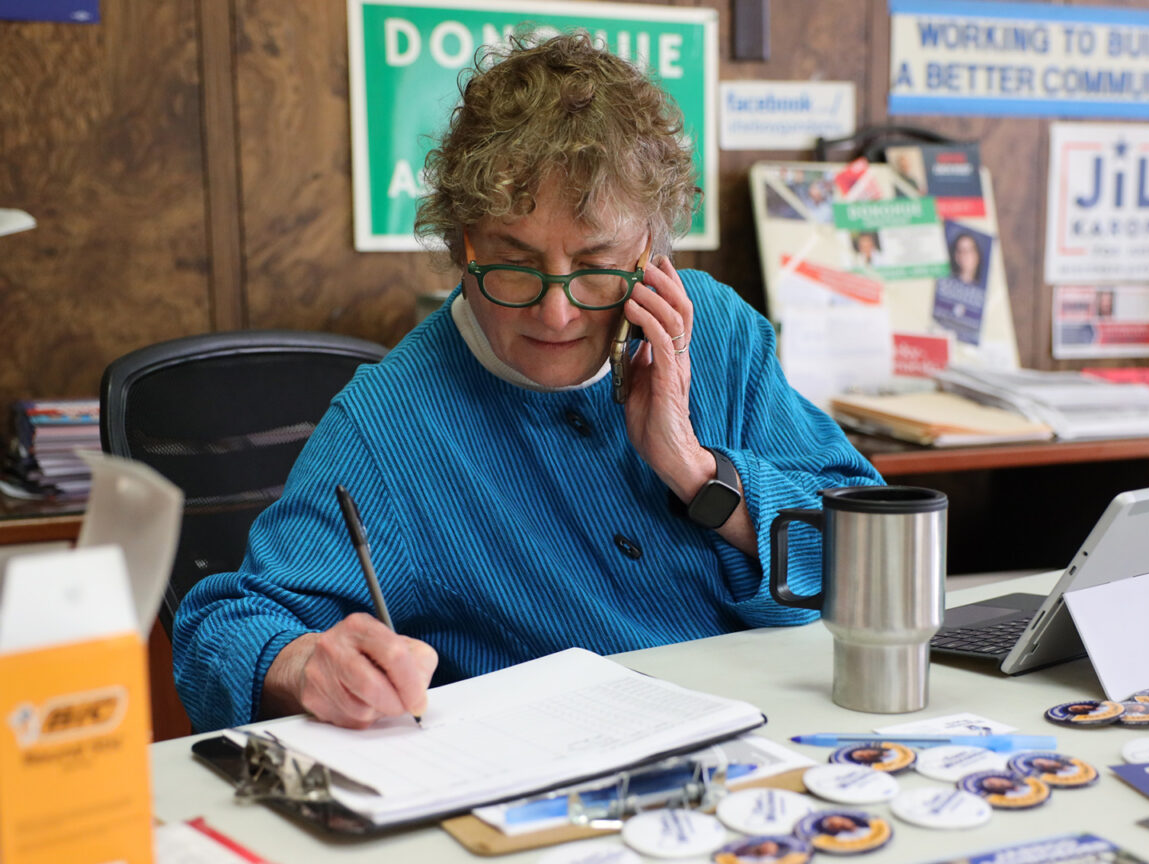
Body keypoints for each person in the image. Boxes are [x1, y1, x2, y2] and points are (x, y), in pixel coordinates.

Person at [170, 33, 884, 732]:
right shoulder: (393, 423)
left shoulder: (716, 333)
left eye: (597, 262)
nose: (557, 310)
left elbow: (874, 556)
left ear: (649, 249)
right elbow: (223, 627)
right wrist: (304, 665)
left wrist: (699, 473)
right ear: (462, 244)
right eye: (514, 262)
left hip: (779, 744)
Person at [932, 231, 987, 345]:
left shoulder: (987, 293)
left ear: (977, 255)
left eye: (970, 250)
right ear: (957, 256)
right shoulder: (944, 284)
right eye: (961, 251)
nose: (966, 255)